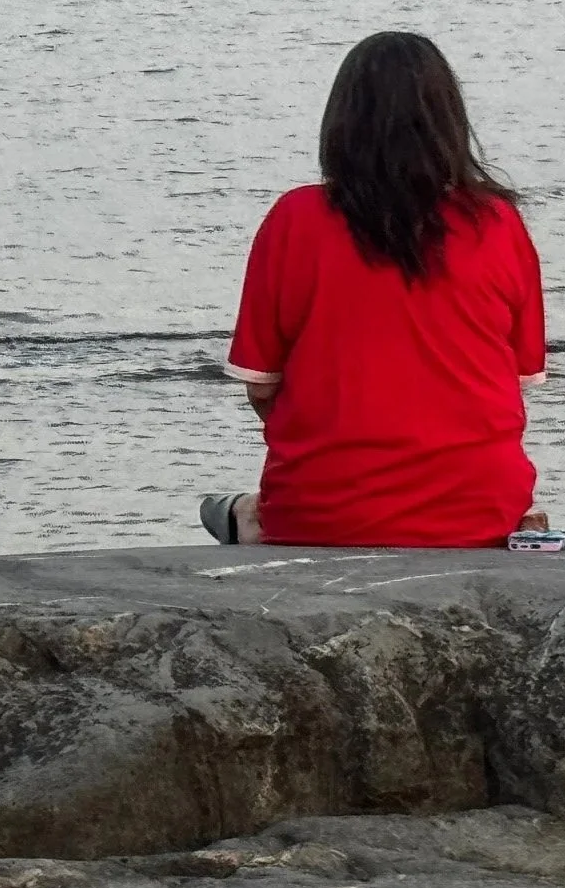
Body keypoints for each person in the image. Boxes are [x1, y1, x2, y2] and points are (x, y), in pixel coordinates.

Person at [201, 31, 545, 550]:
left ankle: (246, 516)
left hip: (320, 514)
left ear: (341, 123)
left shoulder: (296, 219)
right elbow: (514, 380)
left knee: (240, 510)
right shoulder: (498, 223)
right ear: (448, 121)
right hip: (480, 513)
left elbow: (260, 386)